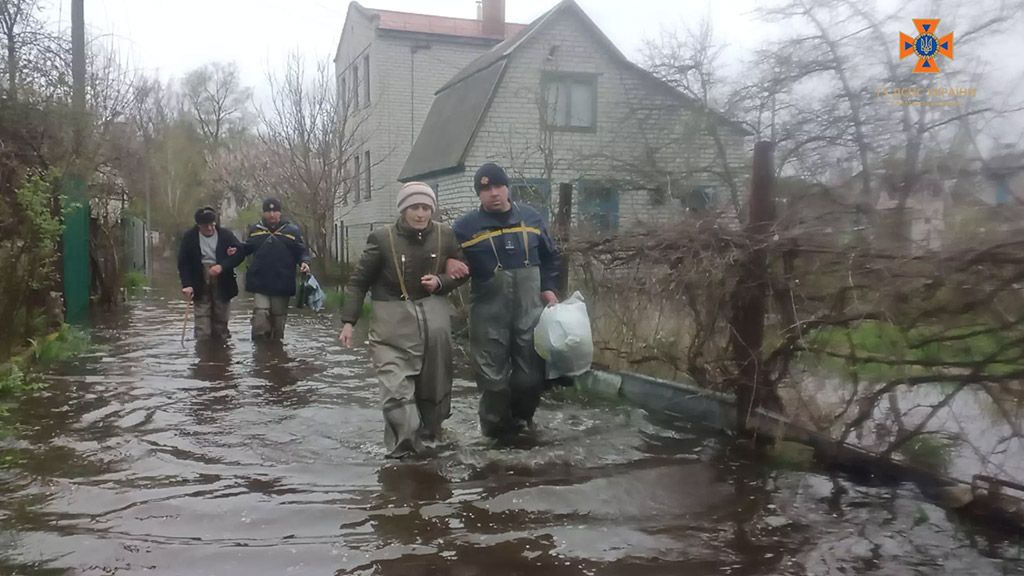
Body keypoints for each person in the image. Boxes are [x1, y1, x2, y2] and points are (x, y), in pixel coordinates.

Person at [339, 182, 468, 459]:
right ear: (403, 209)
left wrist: (441, 281)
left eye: (425, 208)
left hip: (434, 328)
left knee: (434, 393)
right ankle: (403, 458)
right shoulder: (382, 238)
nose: (420, 214)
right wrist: (349, 322)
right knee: (397, 394)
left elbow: (462, 271)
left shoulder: (445, 235)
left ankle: (430, 451)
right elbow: (358, 283)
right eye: (414, 208)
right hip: (391, 330)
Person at [452, 162, 561, 440]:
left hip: (529, 312)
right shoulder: (464, 228)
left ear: (508, 187)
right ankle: (493, 436)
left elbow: (551, 257)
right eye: (485, 188)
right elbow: (450, 263)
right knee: (494, 384)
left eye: (498, 186)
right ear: (478, 194)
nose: (494, 193)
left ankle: (522, 424)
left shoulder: (532, 218)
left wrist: (548, 287)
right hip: (489, 316)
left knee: (530, 379)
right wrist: (451, 264)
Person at [242, 198, 312, 341]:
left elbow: (301, 251)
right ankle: (260, 353)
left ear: (280, 213)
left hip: (282, 282)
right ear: (264, 213)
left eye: (275, 211)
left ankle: (276, 353)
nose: (272, 215)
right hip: (260, 282)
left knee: (278, 320)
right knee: (260, 315)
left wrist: (304, 262)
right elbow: (245, 248)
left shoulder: (292, 231)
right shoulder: (255, 230)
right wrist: (233, 251)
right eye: (268, 211)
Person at [177, 206, 244, 340]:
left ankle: (222, 355)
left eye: (212, 225)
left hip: (223, 281)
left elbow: (239, 254)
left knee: (221, 322)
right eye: (205, 226)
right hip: (199, 280)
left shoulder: (226, 235)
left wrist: (222, 266)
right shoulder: (189, 237)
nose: (209, 228)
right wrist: (187, 284)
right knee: (202, 326)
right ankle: (203, 355)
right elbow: (183, 263)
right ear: (198, 225)